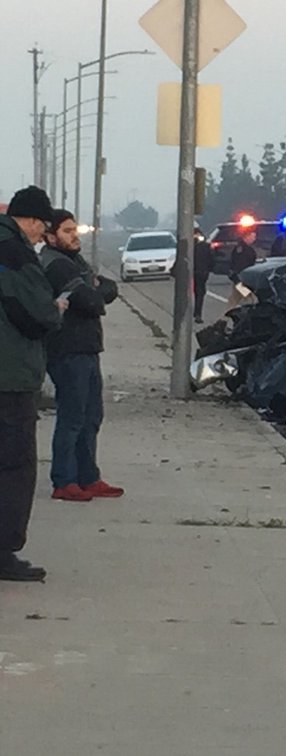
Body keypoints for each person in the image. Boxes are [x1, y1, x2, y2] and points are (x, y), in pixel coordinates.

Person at [0, 186, 65, 582]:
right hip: (10, 376)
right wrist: (56, 308)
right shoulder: (15, 253)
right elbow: (38, 313)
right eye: (43, 226)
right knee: (15, 466)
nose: (43, 235)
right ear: (32, 220)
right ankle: (4, 552)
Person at [40, 209, 122, 503]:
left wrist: (99, 291)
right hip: (67, 350)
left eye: (75, 230)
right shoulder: (57, 265)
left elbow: (108, 288)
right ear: (50, 236)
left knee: (91, 416)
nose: (74, 236)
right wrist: (96, 293)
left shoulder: (75, 262)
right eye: (67, 231)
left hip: (87, 349)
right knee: (72, 417)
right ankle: (64, 480)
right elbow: (90, 301)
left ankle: (88, 477)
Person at [226, 228, 257, 310]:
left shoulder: (245, 248)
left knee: (234, 300)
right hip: (242, 279)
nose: (254, 239)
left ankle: (224, 319)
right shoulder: (242, 249)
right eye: (253, 236)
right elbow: (240, 264)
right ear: (247, 237)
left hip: (241, 279)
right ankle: (224, 318)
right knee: (251, 299)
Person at [193, 226, 214, 323]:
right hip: (197, 271)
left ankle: (197, 313)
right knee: (199, 292)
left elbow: (211, 258)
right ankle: (197, 313)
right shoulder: (192, 245)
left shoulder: (204, 246)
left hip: (201, 272)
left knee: (199, 292)